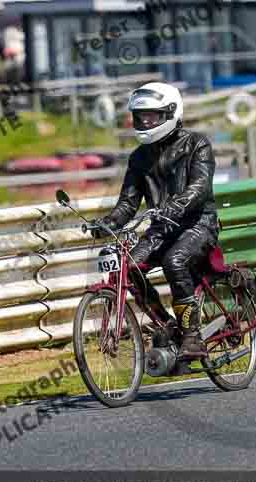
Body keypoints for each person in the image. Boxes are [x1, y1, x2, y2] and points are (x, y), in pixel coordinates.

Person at [93, 82, 221, 359]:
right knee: (128, 268)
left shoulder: (196, 143)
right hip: (161, 229)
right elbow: (128, 203)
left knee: (174, 261)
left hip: (199, 224)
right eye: (141, 117)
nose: (145, 121)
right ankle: (167, 325)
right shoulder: (139, 158)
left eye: (152, 115)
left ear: (171, 112)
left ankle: (192, 337)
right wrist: (108, 222)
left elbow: (200, 188)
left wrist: (176, 206)